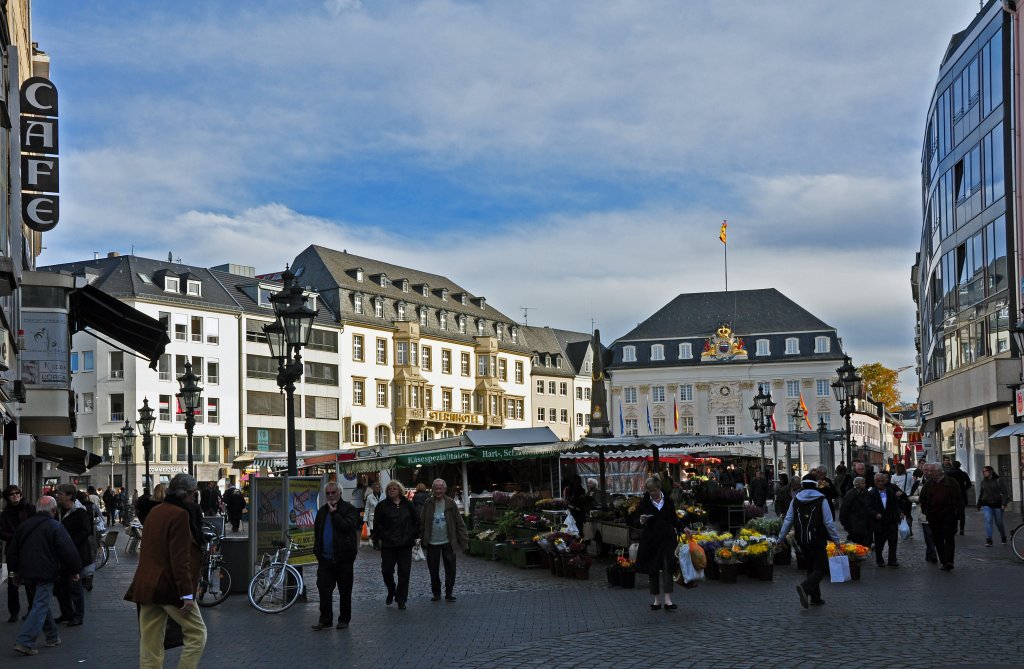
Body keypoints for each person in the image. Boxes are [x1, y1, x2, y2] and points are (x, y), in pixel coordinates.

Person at [125, 473, 206, 668]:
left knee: (150, 640)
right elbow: (179, 558)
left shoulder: (156, 511)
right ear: (186, 494)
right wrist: (186, 592)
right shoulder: (180, 514)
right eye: (194, 494)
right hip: (168, 586)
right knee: (197, 633)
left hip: (146, 584)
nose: (194, 497)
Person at [9, 496, 81, 656]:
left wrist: (15, 571)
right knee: (41, 604)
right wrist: (75, 570)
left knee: (39, 603)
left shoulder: (24, 526)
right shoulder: (55, 526)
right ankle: (24, 641)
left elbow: (13, 550)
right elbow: (67, 550)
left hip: (27, 571)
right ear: (54, 510)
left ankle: (52, 636)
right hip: (45, 571)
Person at [776, 474, 842, 608]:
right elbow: (828, 522)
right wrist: (837, 540)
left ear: (803, 485)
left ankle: (815, 598)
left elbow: (788, 520)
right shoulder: (821, 499)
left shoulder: (796, 500)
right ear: (815, 485)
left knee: (811, 566)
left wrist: (780, 538)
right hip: (818, 538)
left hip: (801, 538)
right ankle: (805, 588)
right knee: (821, 567)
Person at [631, 477, 686, 612]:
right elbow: (634, 519)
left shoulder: (668, 501)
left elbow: (674, 519)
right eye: (650, 491)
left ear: (659, 488)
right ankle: (656, 600)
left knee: (668, 566)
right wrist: (641, 520)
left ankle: (668, 600)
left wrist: (685, 529)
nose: (653, 494)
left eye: (654, 490)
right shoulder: (645, 502)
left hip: (667, 538)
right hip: (652, 539)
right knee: (653, 568)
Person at [312, 480, 360, 630]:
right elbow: (317, 532)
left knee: (345, 590)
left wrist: (335, 513)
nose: (331, 495)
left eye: (333, 492)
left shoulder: (349, 509)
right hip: (325, 558)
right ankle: (325, 619)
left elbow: (348, 527)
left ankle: (344, 619)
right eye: (328, 493)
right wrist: (317, 551)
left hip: (343, 557)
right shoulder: (322, 511)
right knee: (324, 589)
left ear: (340, 493)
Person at [420, 478, 469, 603]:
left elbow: (459, 523)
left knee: (451, 569)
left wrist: (464, 541)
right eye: (436, 488)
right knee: (433, 569)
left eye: (440, 488)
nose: (438, 491)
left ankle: (449, 592)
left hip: (448, 541)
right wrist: (420, 538)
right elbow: (422, 522)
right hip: (432, 542)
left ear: (444, 489)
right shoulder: (428, 503)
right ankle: (436, 593)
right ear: (432, 489)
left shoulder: (451, 503)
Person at [373, 481, 418, 610]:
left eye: (394, 489)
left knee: (404, 573)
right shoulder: (382, 506)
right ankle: (391, 590)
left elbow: (416, 520)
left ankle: (401, 599)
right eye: (389, 489)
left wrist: (415, 535)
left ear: (399, 490)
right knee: (387, 571)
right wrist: (377, 540)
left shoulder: (408, 505)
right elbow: (377, 524)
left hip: (405, 543)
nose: (391, 491)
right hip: (388, 544)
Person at [54, 484, 92, 626]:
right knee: (60, 586)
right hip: (61, 555)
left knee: (74, 586)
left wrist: (69, 543)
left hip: (76, 554)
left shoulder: (80, 512)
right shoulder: (59, 510)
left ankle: (78, 615)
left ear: (69, 496)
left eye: (60, 493)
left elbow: (85, 531)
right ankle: (66, 613)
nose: (57, 495)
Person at [918, 462, 963, 571]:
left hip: (949, 515)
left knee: (949, 538)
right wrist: (926, 512)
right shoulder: (928, 484)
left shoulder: (951, 482)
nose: (930, 473)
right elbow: (922, 499)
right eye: (929, 471)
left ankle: (949, 561)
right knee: (938, 539)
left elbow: (958, 498)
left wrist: (957, 514)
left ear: (939, 471)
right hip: (934, 516)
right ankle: (943, 560)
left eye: (932, 471)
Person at [1, 485, 36, 623]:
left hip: (28, 552)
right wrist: (15, 536)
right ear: (7, 497)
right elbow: (2, 532)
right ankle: (13, 612)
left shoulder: (30, 509)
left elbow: (35, 526)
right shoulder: (5, 513)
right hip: (12, 554)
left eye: (17, 493)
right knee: (12, 581)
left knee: (30, 582)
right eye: (12, 494)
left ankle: (32, 610)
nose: (15, 495)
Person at [866, 473, 909, 567]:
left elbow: (895, 505)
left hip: (891, 520)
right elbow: (868, 507)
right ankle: (879, 559)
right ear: (875, 482)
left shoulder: (889, 491)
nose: (880, 483)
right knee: (879, 543)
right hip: (879, 522)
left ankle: (892, 560)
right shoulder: (871, 493)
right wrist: (875, 514)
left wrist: (900, 512)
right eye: (878, 481)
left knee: (893, 541)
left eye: (882, 481)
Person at [976, 465, 1009, 546]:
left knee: (999, 523)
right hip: (986, 504)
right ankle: (989, 539)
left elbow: (1005, 493)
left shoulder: (998, 480)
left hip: (998, 505)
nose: (984, 473)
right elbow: (981, 493)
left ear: (991, 471)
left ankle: (1003, 536)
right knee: (988, 520)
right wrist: (978, 504)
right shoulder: (983, 482)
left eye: (985, 471)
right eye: (983, 471)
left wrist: (1004, 504)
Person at [838, 476, 871, 547]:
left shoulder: (865, 492)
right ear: (857, 484)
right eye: (863, 483)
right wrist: (844, 522)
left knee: (863, 540)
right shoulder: (850, 494)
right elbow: (844, 509)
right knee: (856, 540)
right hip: (854, 522)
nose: (865, 485)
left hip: (863, 522)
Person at [949, 460, 973, 535]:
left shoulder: (949, 474)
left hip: (951, 495)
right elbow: (969, 484)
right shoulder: (963, 474)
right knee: (962, 513)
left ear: (952, 466)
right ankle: (962, 529)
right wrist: (963, 488)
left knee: (953, 512)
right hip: (961, 494)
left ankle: (955, 527)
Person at [363, 481, 382, 549]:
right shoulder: (369, 497)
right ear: (373, 488)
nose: (378, 488)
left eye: (379, 487)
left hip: (382, 517)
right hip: (372, 517)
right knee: (374, 531)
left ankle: (377, 543)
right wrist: (365, 519)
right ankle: (376, 544)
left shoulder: (383, 495)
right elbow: (367, 508)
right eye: (376, 487)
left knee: (380, 530)